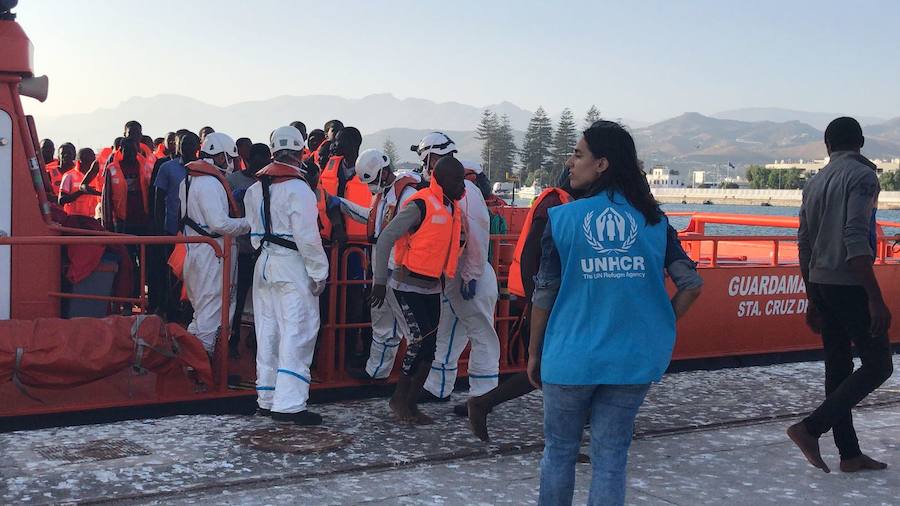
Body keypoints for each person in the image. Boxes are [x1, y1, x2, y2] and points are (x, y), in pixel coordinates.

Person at [528, 121, 702, 505]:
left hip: (569, 356)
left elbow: (544, 294)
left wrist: (534, 352)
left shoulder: (564, 219)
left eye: (578, 154)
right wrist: (661, 325)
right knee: (610, 458)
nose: (570, 163)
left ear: (602, 163)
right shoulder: (654, 220)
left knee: (559, 452)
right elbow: (691, 284)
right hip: (632, 359)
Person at [788, 116, 893, 474]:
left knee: (839, 368)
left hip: (821, 281)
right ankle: (811, 428)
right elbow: (854, 236)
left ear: (826, 145)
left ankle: (849, 454)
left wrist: (811, 294)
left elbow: (803, 243)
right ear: (861, 141)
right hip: (849, 282)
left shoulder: (814, 182)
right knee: (879, 365)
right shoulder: (863, 177)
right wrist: (875, 298)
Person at [464, 172, 578, 442]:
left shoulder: (565, 202)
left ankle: (485, 403)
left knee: (551, 369)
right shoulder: (554, 203)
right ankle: (484, 403)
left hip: (554, 297)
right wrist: (533, 301)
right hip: (548, 299)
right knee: (548, 368)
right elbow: (530, 253)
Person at [370, 156, 466, 424]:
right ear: (441, 179)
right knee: (418, 342)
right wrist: (379, 280)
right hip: (405, 286)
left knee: (430, 346)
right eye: (457, 180)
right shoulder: (421, 204)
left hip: (432, 288)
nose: (463, 185)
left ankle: (411, 402)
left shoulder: (451, 207)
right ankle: (399, 399)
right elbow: (387, 237)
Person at [244, 126, 328, 425]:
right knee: (298, 330)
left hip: (264, 263)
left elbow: (254, 234)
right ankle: (290, 404)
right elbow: (308, 238)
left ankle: (266, 397)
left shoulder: (255, 189)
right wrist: (320, 272)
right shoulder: (299, 189)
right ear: (300, 152)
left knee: (268, 331)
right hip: (292, 265)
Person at [332, 149, 422, 380]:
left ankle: (415, 380)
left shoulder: (407, 195)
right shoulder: (384, 195)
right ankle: (376, 373)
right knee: (383, 325)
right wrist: (341, 203)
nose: (370, 186)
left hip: (399, 272)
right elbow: (372, 219)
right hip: (381, 270)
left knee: (411, 329)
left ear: (383, 172)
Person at [424, 159, 501, 405]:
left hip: (470, 274)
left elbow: (478, 235)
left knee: (481, 335)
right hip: (456, 273)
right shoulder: (461, 196)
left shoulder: (469, 195)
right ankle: (438, 386)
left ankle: (483, 397)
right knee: (448, 332)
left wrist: (471, 275)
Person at [179, 132, 249, 354]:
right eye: (229, 158)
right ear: (220, 157)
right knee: (212, 312)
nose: (231, 164)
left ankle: (192, 360)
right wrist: (249, 224)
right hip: (213, 256)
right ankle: (204, 369)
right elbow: (219, 224)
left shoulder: (189, 179)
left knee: (201, 312)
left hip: (196, 252)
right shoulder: (210, 183)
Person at [227, 142, 271, 358]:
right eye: (257, 162)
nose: (260, 167)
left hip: (264, 252)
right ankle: (232, 339)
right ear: (249, 160)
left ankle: (257, 338)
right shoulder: (234, 180)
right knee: (237, 298)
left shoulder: (271, 182)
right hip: (243, 249)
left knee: (265, 300)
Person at [58, 148, 100, 218]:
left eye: (93, 160)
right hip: (73, 219)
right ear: (80, 161)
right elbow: (61, 200)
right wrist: (81, 192)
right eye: (87, 160)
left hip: (93, 220)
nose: (91, 164)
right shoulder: (69, 176)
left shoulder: (97, 176)